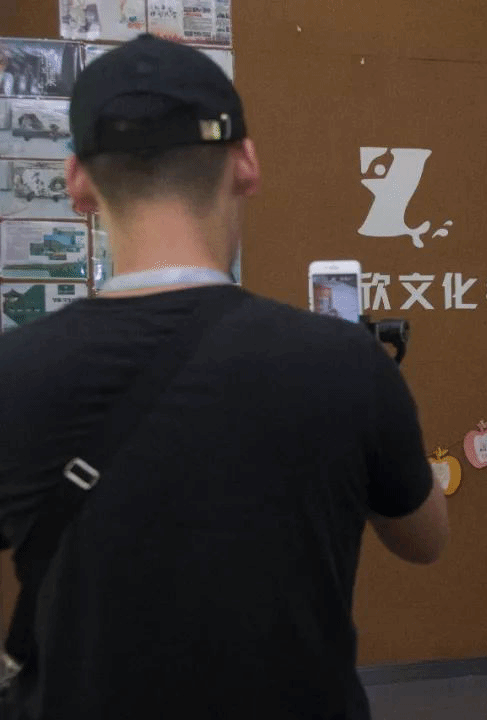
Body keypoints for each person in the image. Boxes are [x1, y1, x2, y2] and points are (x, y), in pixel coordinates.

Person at [0, 34, 448, 720]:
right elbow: (425, 540)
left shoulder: (15, 373)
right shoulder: (347, 362)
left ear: (78, 182)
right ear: (246, 163)